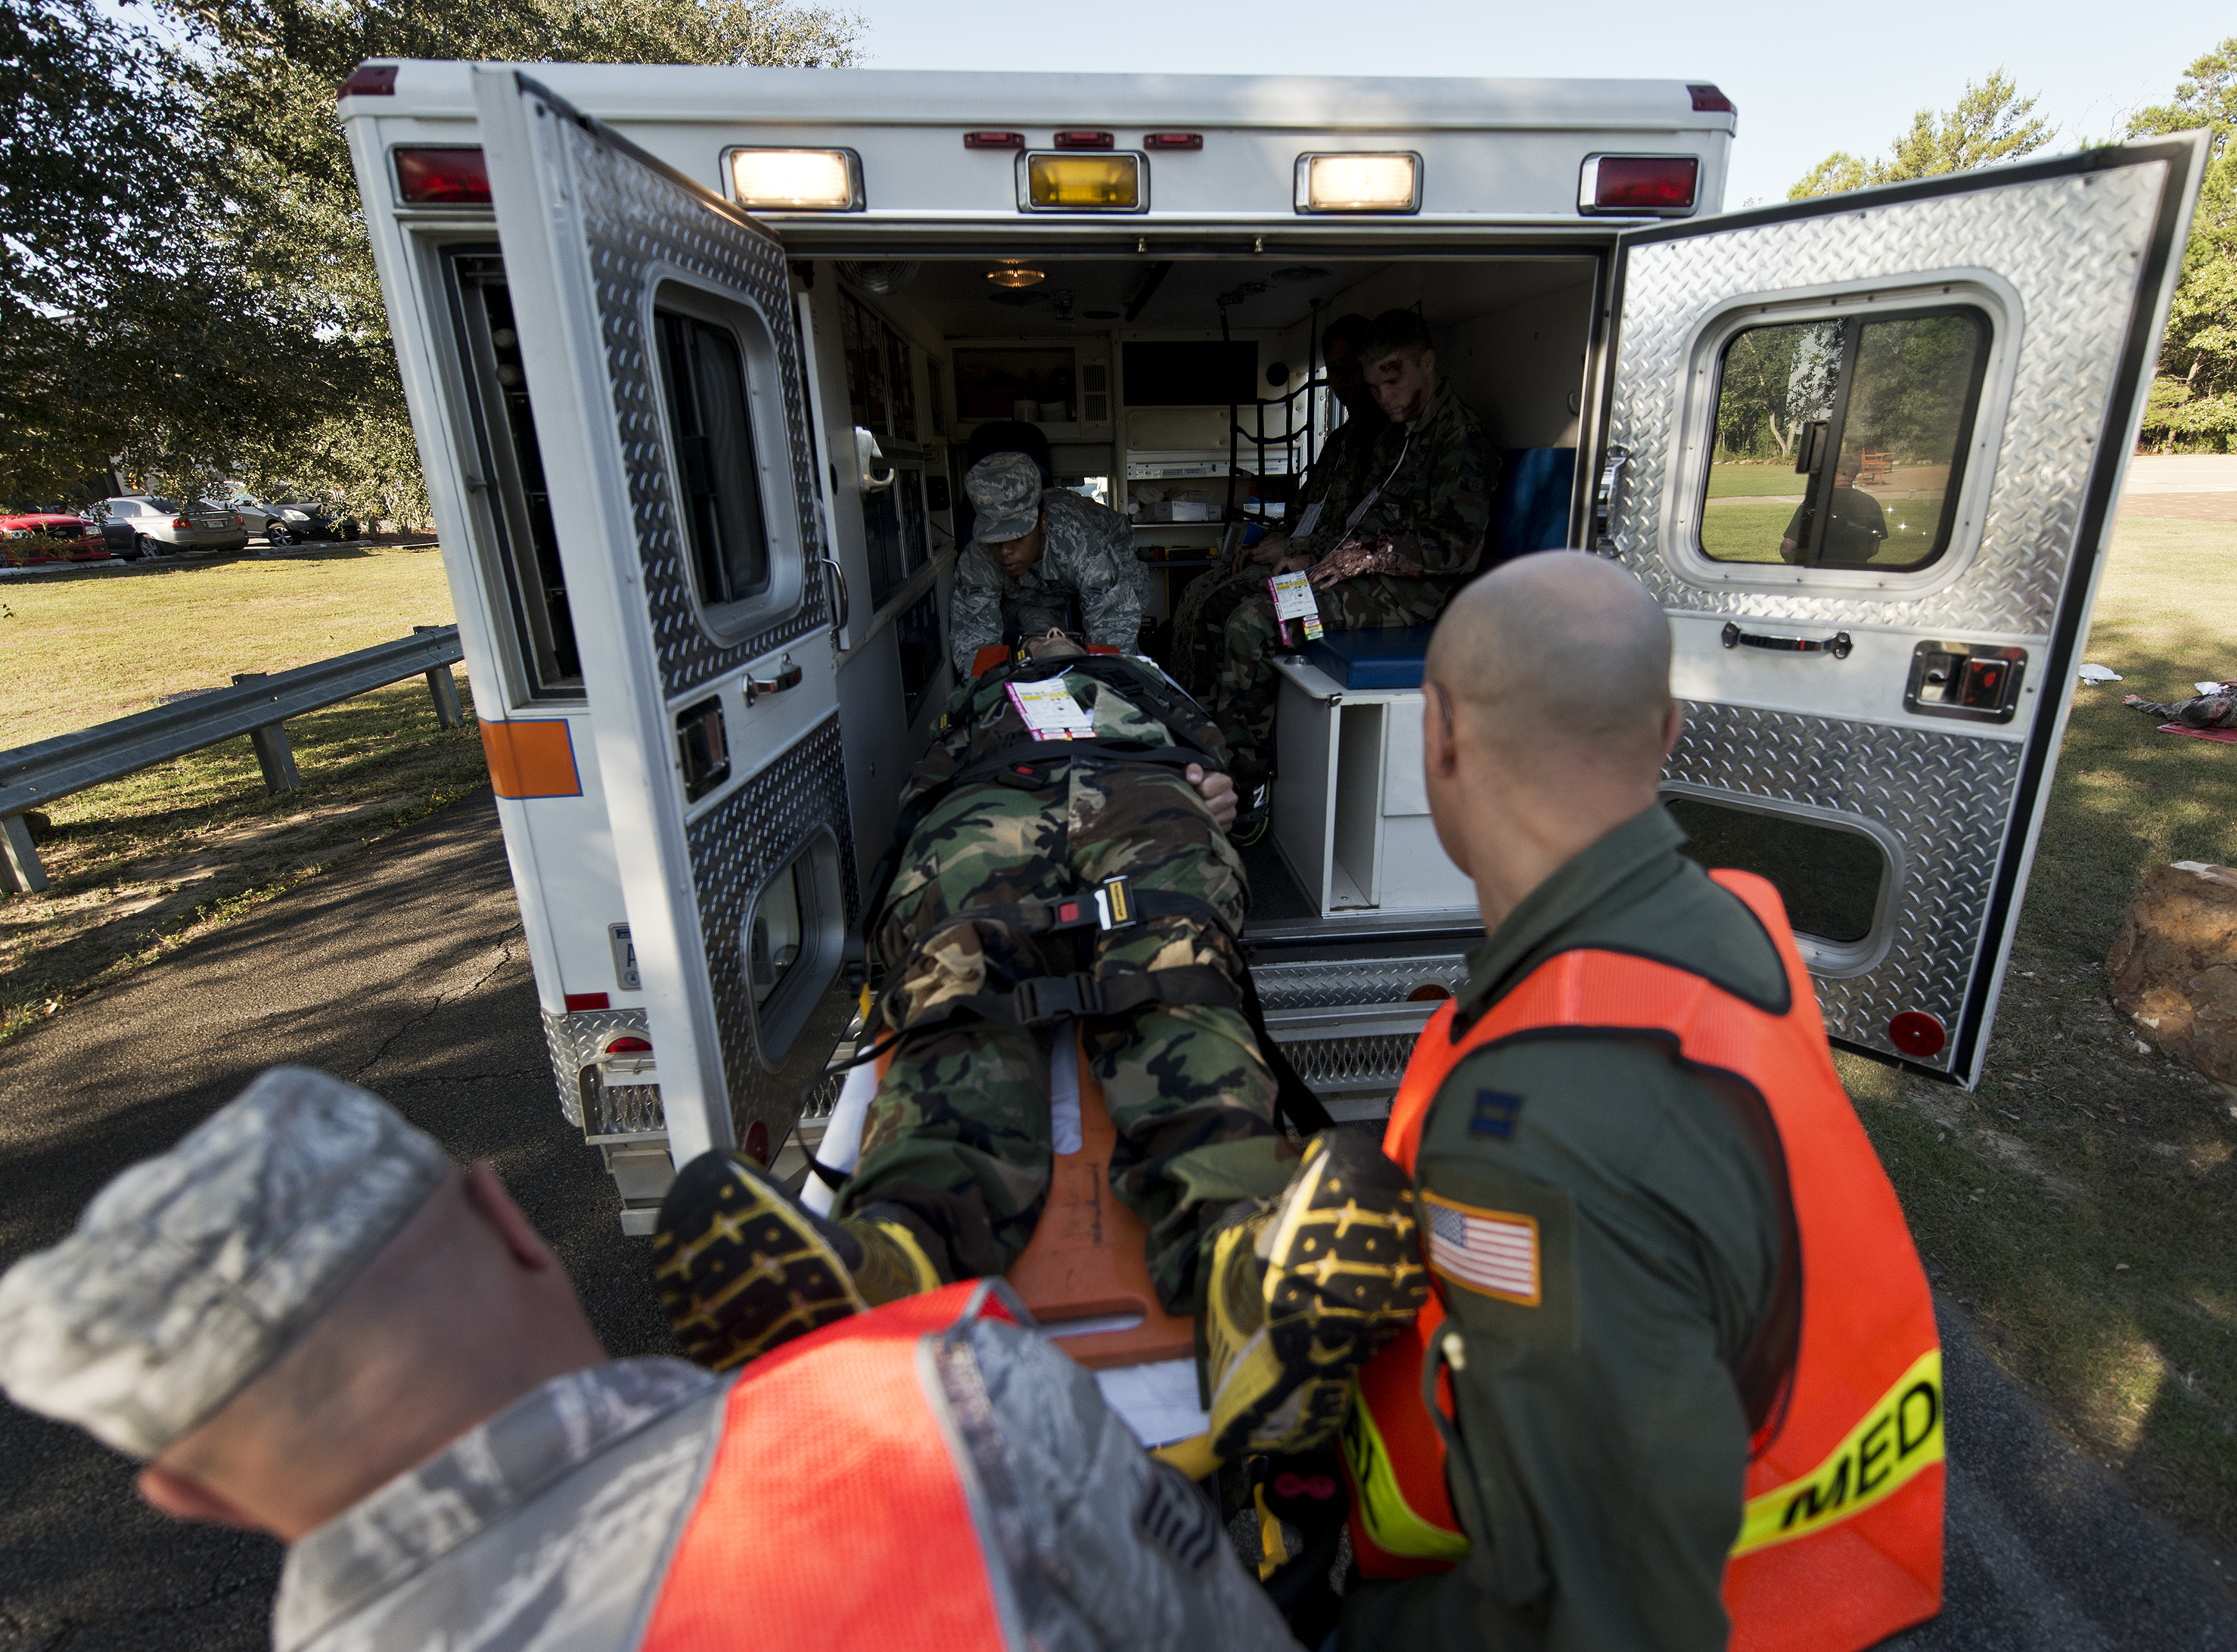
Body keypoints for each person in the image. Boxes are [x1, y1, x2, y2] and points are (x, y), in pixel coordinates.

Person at [0, 1065, 1309, 1651]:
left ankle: (899, 1236)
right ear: (511, 1218)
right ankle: (1282, 1422)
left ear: (188, 1495)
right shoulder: (943, 1405)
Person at [1334, 553, 1943, 1652]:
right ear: (1667, 732)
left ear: (1441, 734)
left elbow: (1606, 1617)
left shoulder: (1543, 1128)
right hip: (1830, 1577)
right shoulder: (1731, 926)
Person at [648, 632, 1429, 1464]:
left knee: (1175, 959)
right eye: (1038, 635)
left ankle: (1239, 1257)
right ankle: (905, 1248)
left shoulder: (1138, 676)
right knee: (957, 969)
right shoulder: (984, 693)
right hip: (992, 801)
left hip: (1145, 790)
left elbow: (1215, 751)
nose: (1052, 635)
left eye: (1066, 631)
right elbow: (924, 787)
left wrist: (1214, 787)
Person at [1209, 309, 1499, 840]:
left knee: (1254, 623)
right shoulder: (1398, 434)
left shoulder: (1458, 441)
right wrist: (1309, 557)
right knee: (1243, 600)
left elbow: (1458, 547)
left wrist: (1371, 557)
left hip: (1409, 597)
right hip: (1356, 580)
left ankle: (1246, 785)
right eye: (1375, 386)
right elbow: (1356, 518)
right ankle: (1231, 739)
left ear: (1427, 363)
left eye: (1395, 379)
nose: (1386, 396)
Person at [1168, 312, 1388, 699]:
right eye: (1332, 369)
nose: (1340, 379)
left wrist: (1296, 549)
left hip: (1333, 570)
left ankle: (1228, 734)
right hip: (1301, 553)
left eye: (1349, 367)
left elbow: (1360, 533)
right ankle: (1189, 707)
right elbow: (1306, 511)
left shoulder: (1389, 445)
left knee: (1226, 608)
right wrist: (1271, 542)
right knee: (1196, 591)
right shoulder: (1339, 443)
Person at [949, 451, 1144, 675]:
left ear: (1042, 523)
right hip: (1035, 589)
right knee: (1045, 655)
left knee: (1121, 655)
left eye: (1017, 537)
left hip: (1109, 552)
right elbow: (976, 648)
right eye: (995, 540)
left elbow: (1114, 627)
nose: (1005, 551)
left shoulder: (1078, 541)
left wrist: (1106, 685)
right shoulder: (978, 558)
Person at [1779, 444, 1887, 564]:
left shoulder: (1816, 502)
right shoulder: (1871, 503)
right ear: (1855, 474)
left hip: (1819, 575)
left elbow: (1787, 549)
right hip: (1854, 575)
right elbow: (1873, 549)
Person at [2124, 682, 2237, 729]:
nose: (2221, 702)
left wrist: (2135, 702)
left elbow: (2160, 709)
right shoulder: (2234, 715)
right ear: (2215, 720)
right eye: (2218, 709)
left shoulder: (2184, 709)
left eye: (2211, 701)